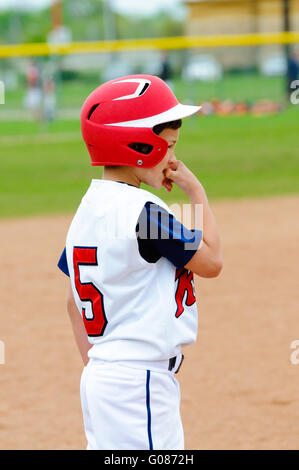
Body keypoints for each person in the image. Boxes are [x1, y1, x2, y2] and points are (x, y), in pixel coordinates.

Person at [57, 74, 223, 450]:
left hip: (103, 378)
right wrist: (196, 191)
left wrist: (103, 367)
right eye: (167, 146)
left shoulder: (88, 209)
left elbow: (72, 303)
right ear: (136, 143)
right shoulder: (144, 213)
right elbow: (212, 261)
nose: (173, 159)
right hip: (140, 382)